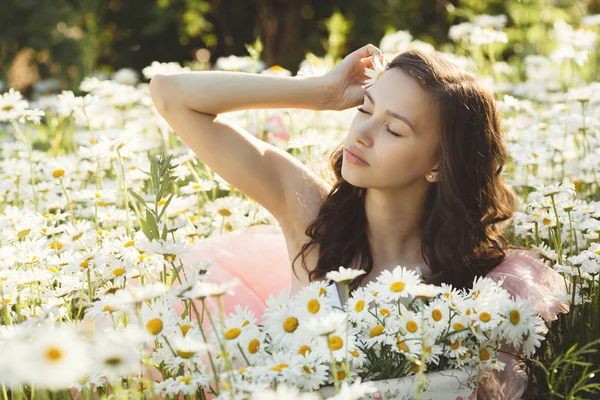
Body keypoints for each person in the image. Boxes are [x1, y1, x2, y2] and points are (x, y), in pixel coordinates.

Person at [149, 44, 569, 399]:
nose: (362, 134)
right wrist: (321, 91)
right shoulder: (312, 215)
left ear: (440, 165)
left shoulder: (486, 287)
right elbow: (170, 94)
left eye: (394, 129)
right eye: (365, 109)